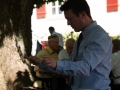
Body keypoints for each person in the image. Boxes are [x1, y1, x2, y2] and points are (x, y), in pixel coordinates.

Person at [28, 0, 112, 90]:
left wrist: (56, 64)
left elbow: (85, 68)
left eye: (70, 19)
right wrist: (41, 62)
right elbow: (72, 64)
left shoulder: (99, 37)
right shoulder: (83, 36)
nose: (68, 23)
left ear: (83, 14)